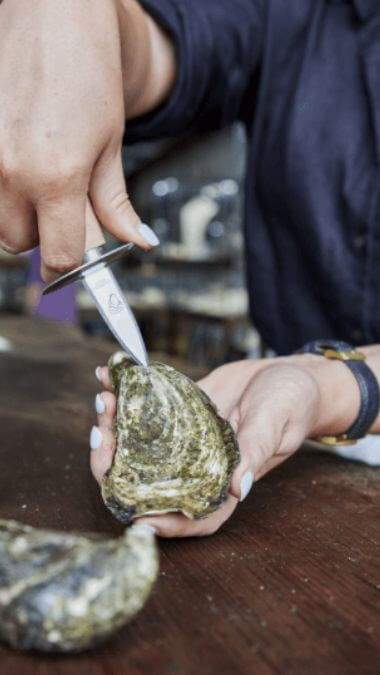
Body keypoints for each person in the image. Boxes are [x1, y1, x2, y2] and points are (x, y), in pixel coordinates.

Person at [1, 0, 379, 536]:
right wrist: (86, 22)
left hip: (302, 408)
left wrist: (336, 387)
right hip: (287, 454)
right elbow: (165, 50)